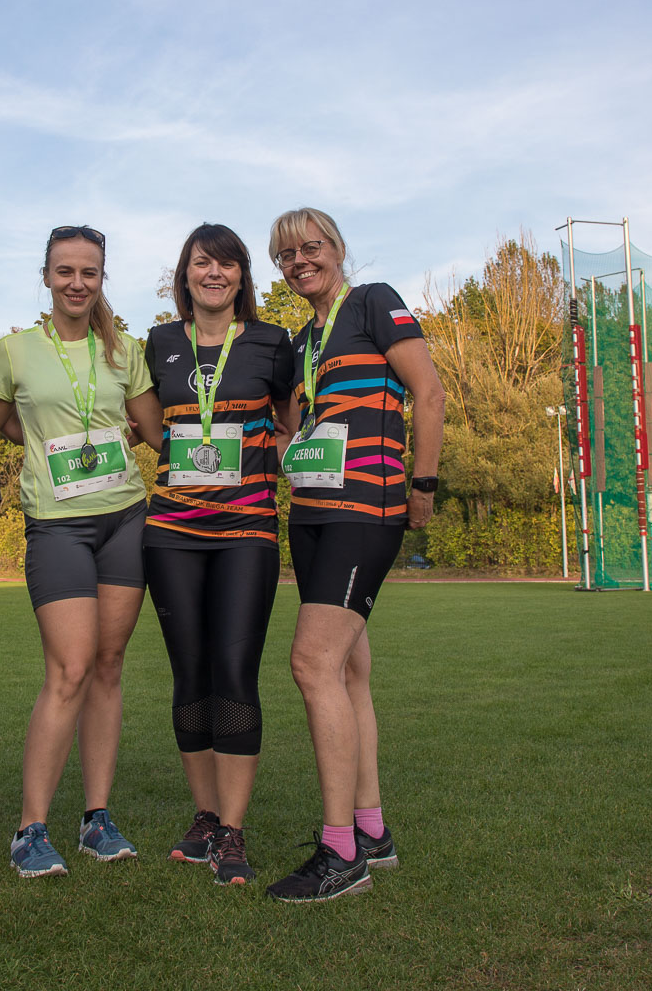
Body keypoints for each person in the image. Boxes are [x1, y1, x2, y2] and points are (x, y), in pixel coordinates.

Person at [264, 207, 444, 903]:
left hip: (365, 508)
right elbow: (293, 426)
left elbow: (428, 392)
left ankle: (340, 853)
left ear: (337, 249)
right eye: (286, 255)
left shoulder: (373, 302)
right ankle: (372, 831)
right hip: (311, 512)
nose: (300, 261)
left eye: (311, 247)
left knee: (311, 663)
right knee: (347, 670)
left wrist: (422, 484)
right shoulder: (302, 341)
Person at [0, 225, 163, 876]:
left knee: (108, 666)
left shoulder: (125, 350)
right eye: (65, 271)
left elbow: (153, 430)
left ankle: (97, 819)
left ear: (102, 278)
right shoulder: (14, 350)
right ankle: (30, 829)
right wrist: (43, 445)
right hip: (58, 526)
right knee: (70, 669)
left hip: (124, 519)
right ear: (46, 276)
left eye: (89, 272)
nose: (77, 282)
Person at [142, 224, 295, 886]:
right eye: (203, 262)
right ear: (185, 273)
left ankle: (232, 828)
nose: (214, 273)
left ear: (241, 276)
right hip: (171, 528)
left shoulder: (271, 341)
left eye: (227, 264)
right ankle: (204, 815)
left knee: (234, 671)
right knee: (190, 673)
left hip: (246, 529)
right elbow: (149, 424)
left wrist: (287, 460)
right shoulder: (159, 343)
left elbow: (290, 424)